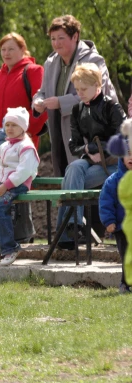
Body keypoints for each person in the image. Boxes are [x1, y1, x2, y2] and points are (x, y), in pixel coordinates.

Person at [0, 32, 48, 244]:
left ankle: (21, 235)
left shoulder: (34, 71)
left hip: (20, 140)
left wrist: (30, 132)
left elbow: (40, 106)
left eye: (11, 49)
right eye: (3, 49)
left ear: (22, 49)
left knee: (16, 185)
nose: (6, 53)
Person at [33, 15, 118, 177]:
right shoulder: (50, 62)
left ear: (75, 36)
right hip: (59, 131)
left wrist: (60, 102)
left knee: (88, 184)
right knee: (66, 179)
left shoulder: (94, 60)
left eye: (61, 38)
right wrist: (37, 101)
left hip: (91, 134)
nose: (56, 43)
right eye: (52, 38)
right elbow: (43, 91)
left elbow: (98, 95)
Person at [54, 63, 126, 250]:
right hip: (89, 161)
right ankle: (75, 224)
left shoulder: (112, 107)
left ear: (98, 85)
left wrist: (96, 150)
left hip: (112, 164)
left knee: (70, 181)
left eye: (84, 89)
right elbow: (73, 145)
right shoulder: (77, 110)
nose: (80, 93)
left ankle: (65, 234)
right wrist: (88, 151)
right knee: (74, 168)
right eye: (77, 89)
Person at [0, 107, 39, 266]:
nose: (9, 128)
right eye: (7, 125)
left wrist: (6, 185)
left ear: (23, 127)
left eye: (14, 125)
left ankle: (10, 249)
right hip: (2, 185)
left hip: (17, 185)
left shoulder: (26, 147)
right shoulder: (4, 146)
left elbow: (24, 170)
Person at [99, 150, 132, 293]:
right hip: (121, 229)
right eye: (128, 153)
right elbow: (106, 202)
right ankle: (125, 285)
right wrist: (109, 221)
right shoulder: (113, 181)